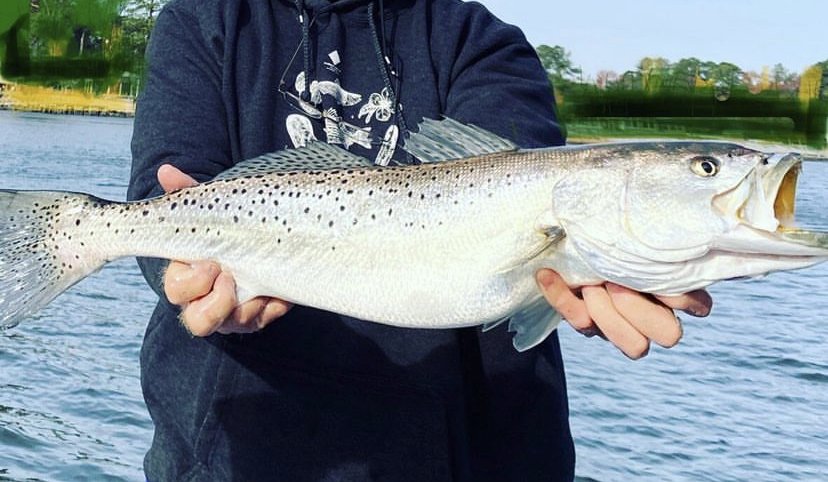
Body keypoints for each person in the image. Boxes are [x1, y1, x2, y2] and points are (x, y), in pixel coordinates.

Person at [129, 0, 712, 479]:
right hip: (237, 458)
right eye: (706, 170)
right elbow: (163, 192)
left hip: (473, 459)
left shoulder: (483, 43)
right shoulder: (202, 20)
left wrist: (619, 266)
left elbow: (535, 190)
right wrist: (185, 281)